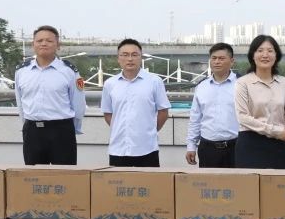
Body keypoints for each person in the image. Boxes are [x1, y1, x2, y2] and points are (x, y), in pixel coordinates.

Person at [15, 25, 83, 165]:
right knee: (34, 176)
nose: (44, 44)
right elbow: (20, 103)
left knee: (65, 175)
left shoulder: (69, 71)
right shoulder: (22, 71)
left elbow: (78, 105)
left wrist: (71, 129)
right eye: (39, 41)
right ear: (33, 44)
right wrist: (27, 125)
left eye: (49, 41)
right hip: (32, 132)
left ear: (58, 45)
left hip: (61, 131)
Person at [100, 38, 170, 167]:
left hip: (147, 149)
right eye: (125, 55)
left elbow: (163, 112)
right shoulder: (110, 84)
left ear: (141, 57)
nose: (130, 59)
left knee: (149, 180)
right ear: (118, 58)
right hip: (118, 149)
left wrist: (149, 130)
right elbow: (108, 113)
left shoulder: (154, 81)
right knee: (117, 180)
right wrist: (120, 128)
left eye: (134, 55)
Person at [233, 35, 285, 169]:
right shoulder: (243, 83)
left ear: (276, 55)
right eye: (260, 50)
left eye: (270, 51)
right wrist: (275, 131)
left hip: (280, 144)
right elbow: (243, 117)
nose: (265, 55)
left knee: (279, 182)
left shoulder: (284, 83)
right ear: (253, 55)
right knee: (251, 182)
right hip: (251, 143)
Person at [185, 43, 239, 168]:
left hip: (235, 148)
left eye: (221, 58)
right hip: (208, 149)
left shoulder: (241, 85)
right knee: (208, 181)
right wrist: (191, 146)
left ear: (232, 61)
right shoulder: (201, 86)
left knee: (237, 181)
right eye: (214, 58)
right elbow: (195, 118)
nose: (217, 62)